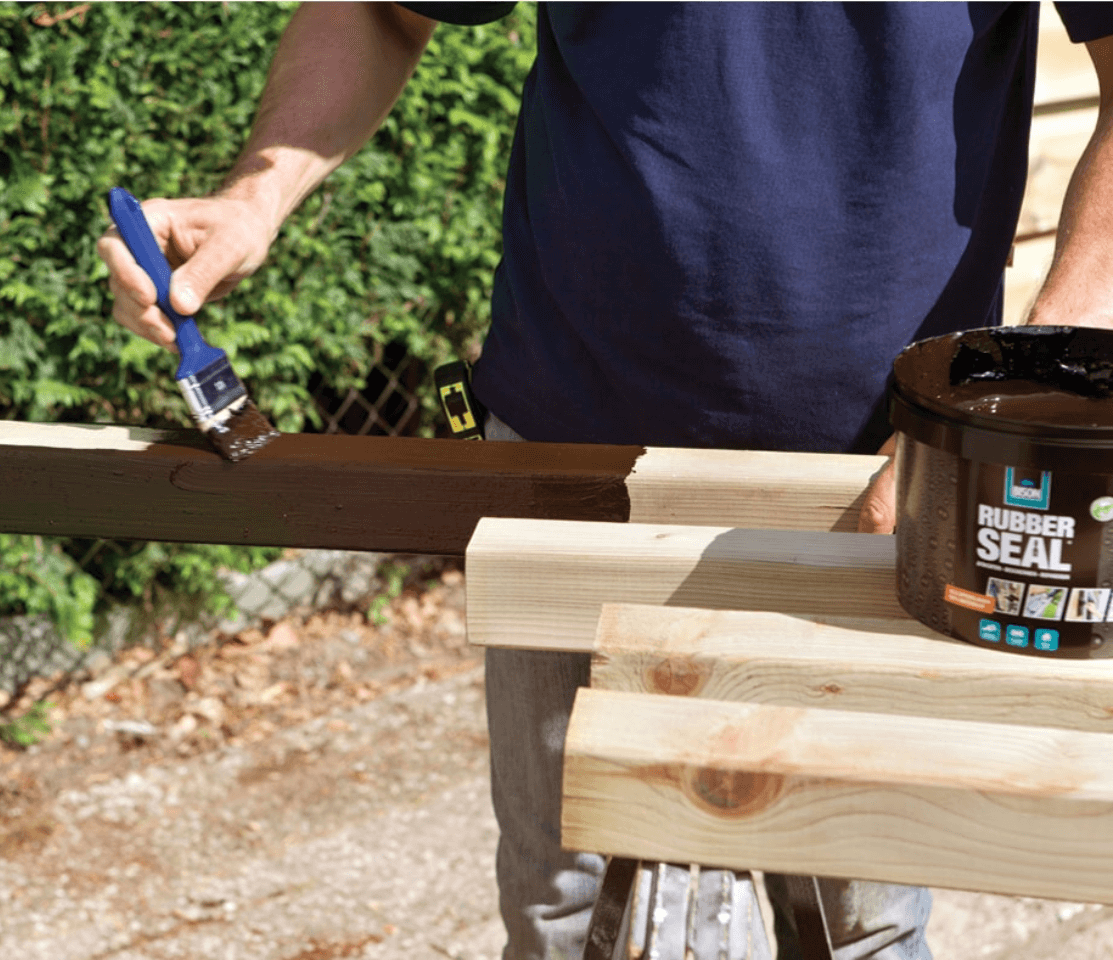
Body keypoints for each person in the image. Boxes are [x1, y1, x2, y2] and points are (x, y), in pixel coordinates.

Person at [97, 4, 1113, 958]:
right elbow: (380, 10)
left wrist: (999, 402)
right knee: (574, 920)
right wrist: (255, 192)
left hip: (878, 481)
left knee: (856, 923)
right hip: (569, 465)